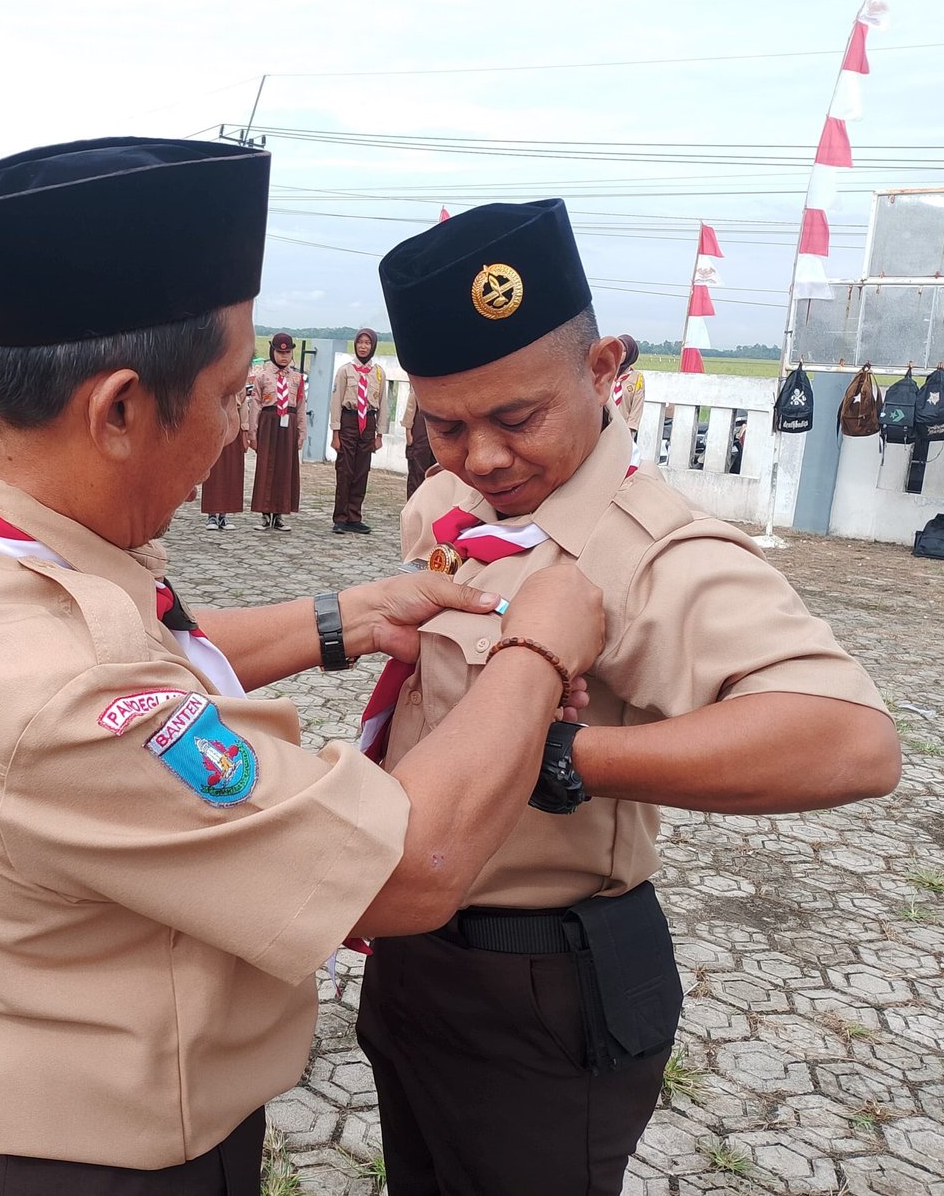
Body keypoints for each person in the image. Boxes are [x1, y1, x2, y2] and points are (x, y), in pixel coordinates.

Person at [0, 136, 604, 1194]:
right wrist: (536, 643)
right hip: (95, 1154)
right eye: (228, 391)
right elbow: (405, 869)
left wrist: (344, 617)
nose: (238, 420)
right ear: (116, 409)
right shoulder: (51, 679)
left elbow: (149, 642)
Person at [357, 198, 902, 1196]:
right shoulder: (444, 509)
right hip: (415, 957)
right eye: (446, 423)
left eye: (517, 417)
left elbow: (851, 737)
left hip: (543, 981)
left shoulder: (655, 552)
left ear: (603, 366)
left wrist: (566, 759)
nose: (481, 456)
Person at [329, 327, 387, 534]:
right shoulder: (345, 370)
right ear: (355, 345)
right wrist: (335, 433)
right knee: (345, 470)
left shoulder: (378, 373)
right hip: (349, 421)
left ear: (373, 346)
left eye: (367, 343)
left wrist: (379, 434)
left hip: (368, 423)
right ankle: (340, 518)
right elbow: (336, 402)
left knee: (362, 471)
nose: (363, 347)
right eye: (360, 342)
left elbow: (383, 403)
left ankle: (355, 516)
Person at [249, 331, 305, 531]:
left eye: (288, 352)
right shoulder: (263, 376)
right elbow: (255, 404)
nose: (284, 356)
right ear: (272, 352)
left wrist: (301, 432)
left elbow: (300, 406)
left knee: (285, 468)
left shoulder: (297, 378)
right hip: (268, 422)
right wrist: (252, 433)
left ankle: (280, 513)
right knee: (266, 466)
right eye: (280, 352)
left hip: (288, 424)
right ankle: (264, 512)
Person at [201, 375, 250, 530]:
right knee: (214, 473)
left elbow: (243, 407)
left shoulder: (240, 383)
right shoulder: (211, 378)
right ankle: (211, 515)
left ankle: (224, 515)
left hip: (233, 426)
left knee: (230, 472)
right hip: (214, 427)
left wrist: (245, 430)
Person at [402, 386, 435, 498]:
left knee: (435, 473)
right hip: (420, 425)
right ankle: (413, 510)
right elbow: (411, 406)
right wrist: (408, 430)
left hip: (439, 425)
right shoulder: (421, 378)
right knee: (417, 471)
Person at [612, 333, 645, 433]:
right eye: (616, 349)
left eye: (623, 351)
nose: (619, 353)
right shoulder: (606, 375)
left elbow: (636, 409)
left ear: (630, 353)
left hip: (623, 430)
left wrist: (630, 433)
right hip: (604, 429)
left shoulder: (637, 378)